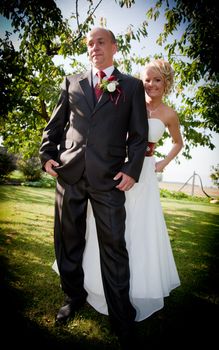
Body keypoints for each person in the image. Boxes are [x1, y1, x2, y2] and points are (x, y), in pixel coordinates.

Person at [39, 27, 148, 348]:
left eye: (100, 42)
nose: (94, 47)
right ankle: (74, 297)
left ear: (114, 47)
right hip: (69, 174)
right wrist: (47, 155)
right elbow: (55, 126)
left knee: (114, 245)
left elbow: (139, 137)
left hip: (109, 179)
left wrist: (131, 170)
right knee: (68, 240)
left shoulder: (131, 86)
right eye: (89, 44)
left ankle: (121, 314)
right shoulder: (72, 82)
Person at [80, 58, 184, 322]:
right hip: (119, 167)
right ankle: (97, 278)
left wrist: (163, 162)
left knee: (140, 224)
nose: (150, 84)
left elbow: (177, 143)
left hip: (145, 172)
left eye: (157, 79)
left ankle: (138, 285)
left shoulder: (170, 114)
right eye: (147, 79)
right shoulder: (127, 99)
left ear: (166, 83)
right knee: (111, 222)